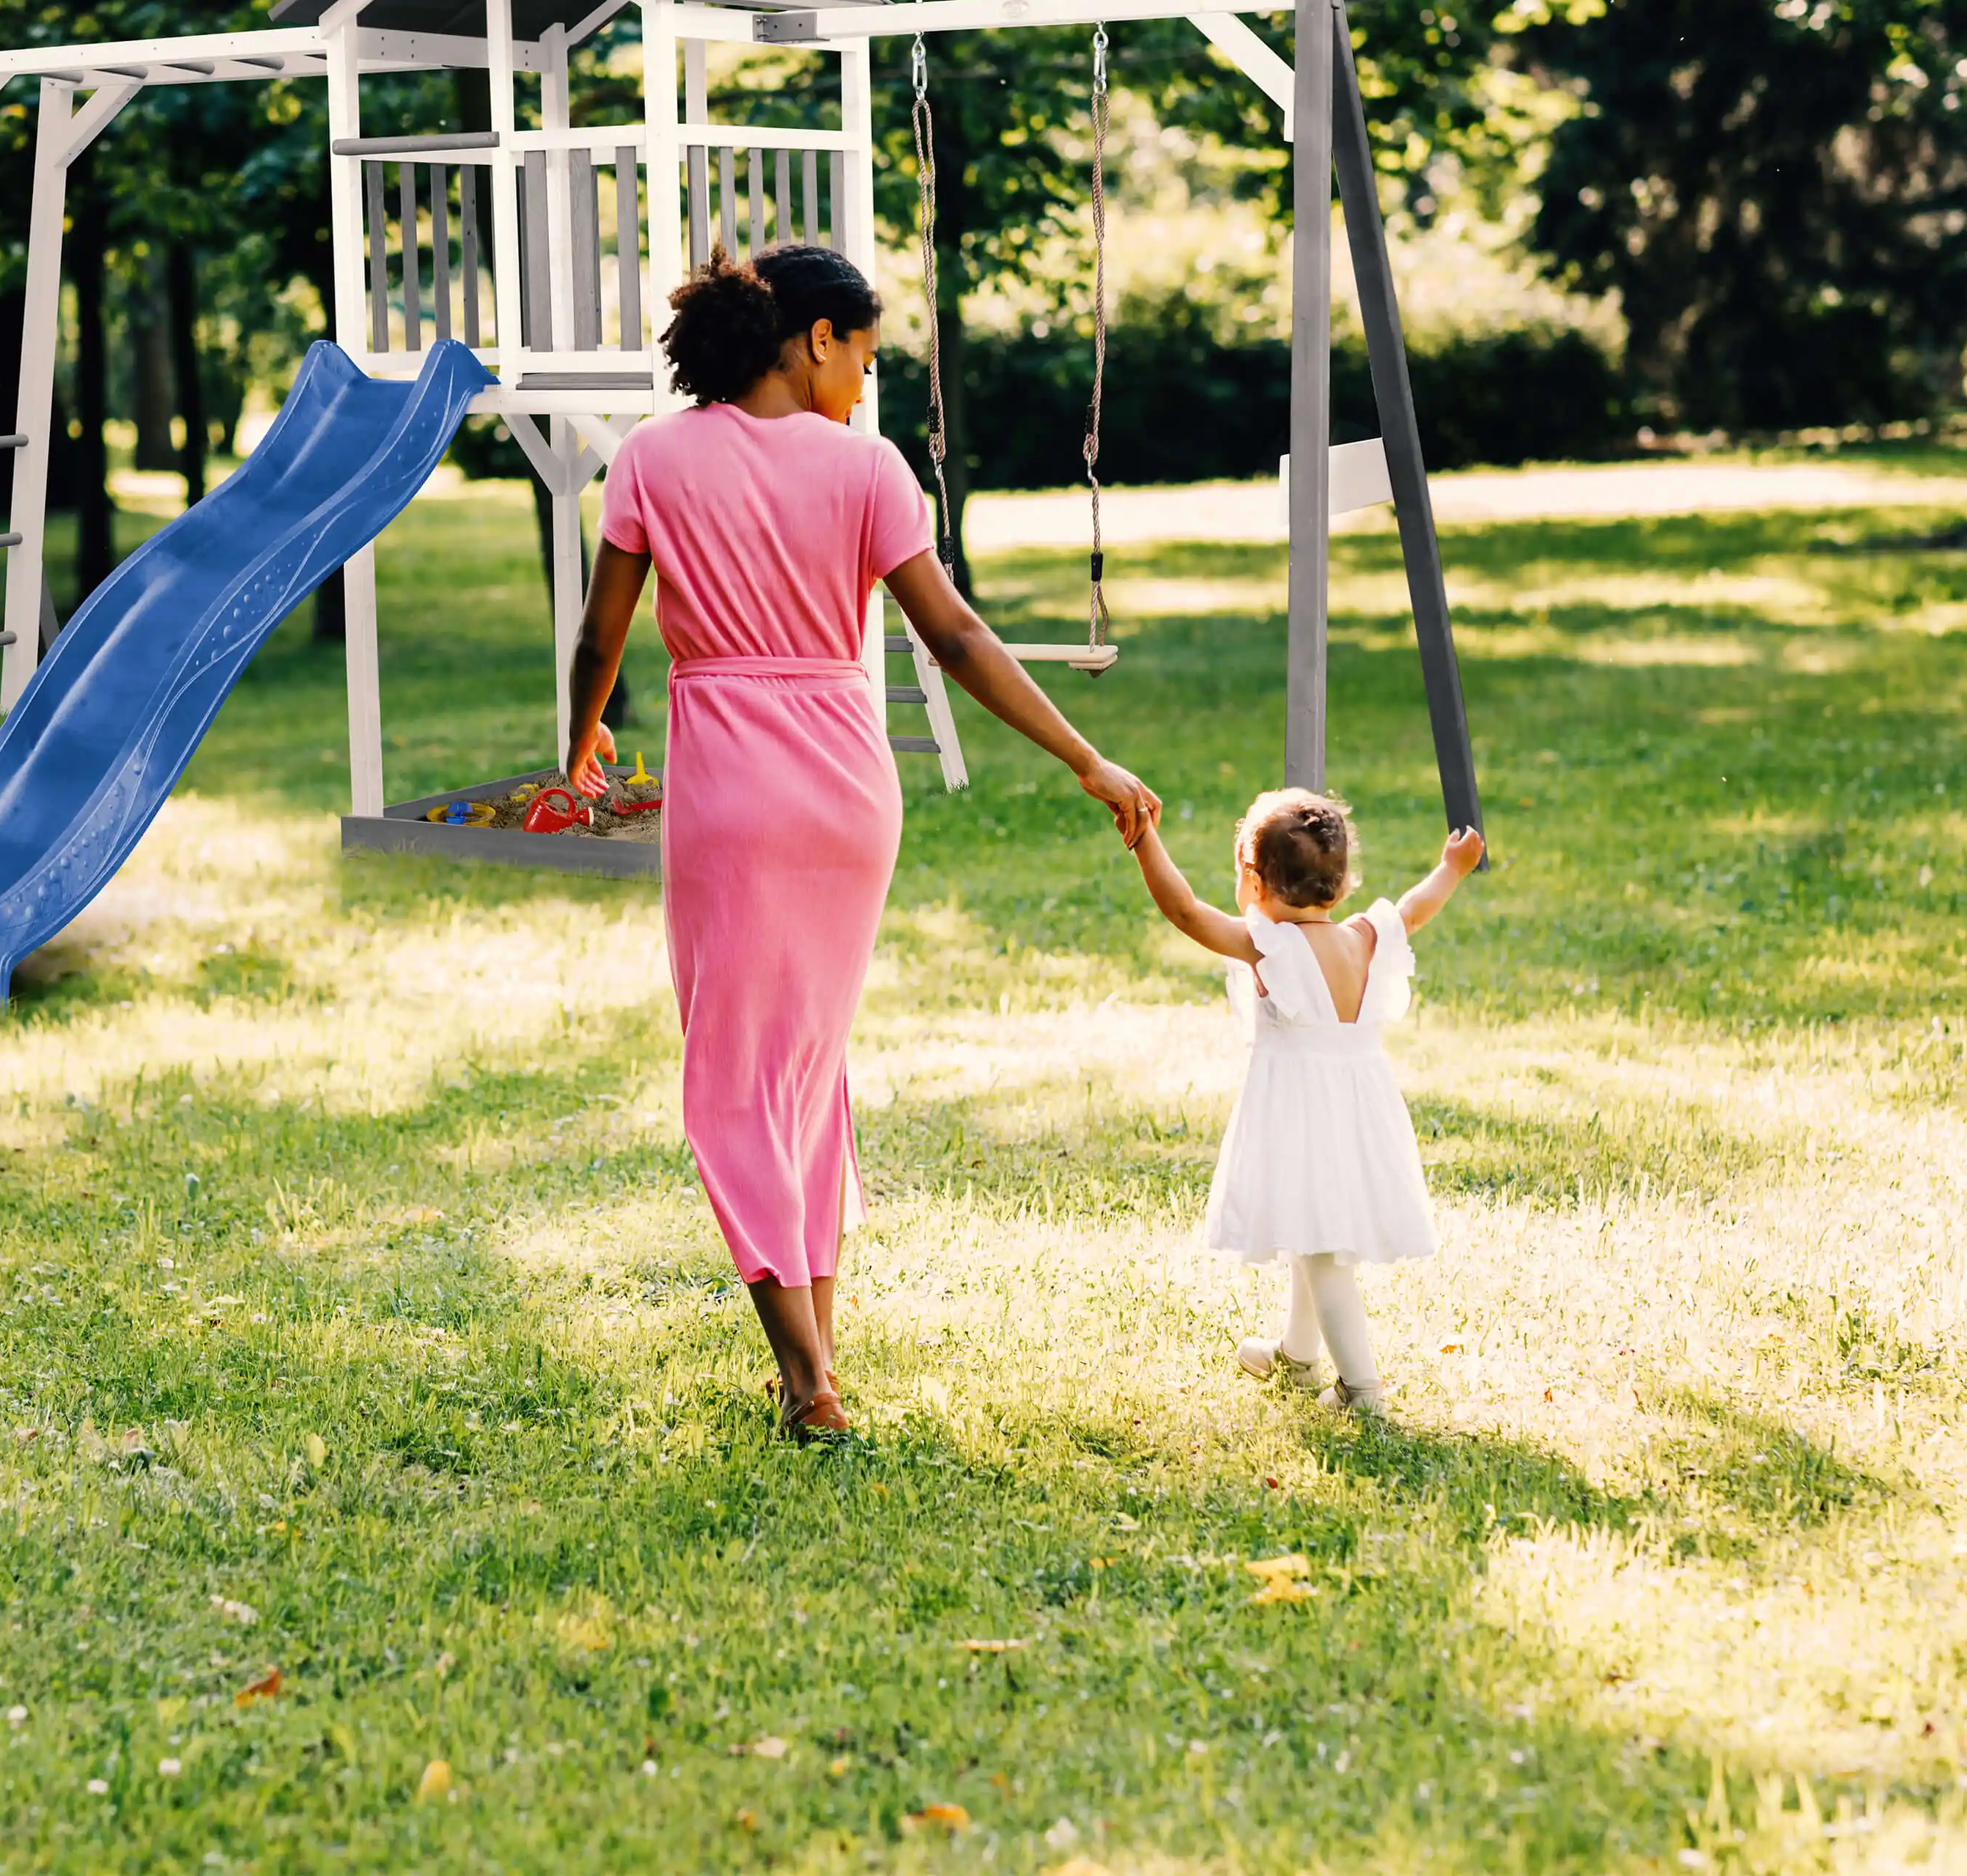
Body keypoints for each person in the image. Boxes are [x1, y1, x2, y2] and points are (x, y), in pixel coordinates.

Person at [563, 243, 1159, 1442]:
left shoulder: (653, 459)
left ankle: (806, 1380)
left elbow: (600, 636)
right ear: (814, 338)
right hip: (846, 789)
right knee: (805, 1071)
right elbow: (957, 637)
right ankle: (818, 1357)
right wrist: (1084, 756)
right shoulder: (869, 470)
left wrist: (576, 746)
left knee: (735, 1080)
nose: (866, 384)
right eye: (865, 357)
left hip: (731, 787)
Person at [1126, 789, 1485, 1414]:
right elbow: (1414, 908)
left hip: (1301, 1114)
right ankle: (1297, 1356)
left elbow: (1184, 911)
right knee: (1308, 1226)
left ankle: (1362, 1389)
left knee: (1322, 1251)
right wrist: (1450, 869)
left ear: (1254, 880)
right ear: (1341, 886)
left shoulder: (1271, 948)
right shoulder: (1365, 937)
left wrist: (1143, 838)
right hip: (1358, 1109)